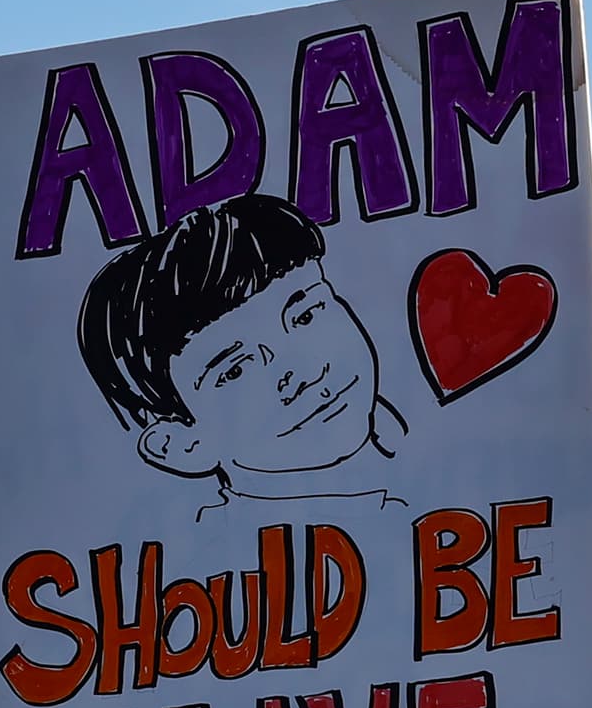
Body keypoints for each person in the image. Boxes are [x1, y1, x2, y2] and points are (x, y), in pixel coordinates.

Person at [78, 193, 406, 520]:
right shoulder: (218, 555)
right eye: (234, 371)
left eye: (305, 316)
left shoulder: (420, 458)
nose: (302, 372)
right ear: (178, 444)